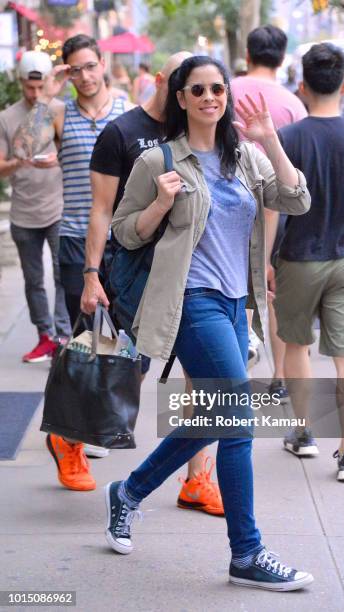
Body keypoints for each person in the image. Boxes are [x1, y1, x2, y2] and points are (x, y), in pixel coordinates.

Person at [106, 55, 313, 592]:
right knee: (240, 415)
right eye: (196, 89)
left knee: (218, 417)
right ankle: (246, 552)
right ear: (180, 98)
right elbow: (125, 232)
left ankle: (128, 492)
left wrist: (270, 139)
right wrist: (161, 204)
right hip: (188, 301)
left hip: (233, 302)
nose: (209, 97)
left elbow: (295, 198)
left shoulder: (243, 156)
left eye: (217, 88)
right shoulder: (158, 161)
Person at [81, 51, 224, 516]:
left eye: (209, 85)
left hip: (194, 279)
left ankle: (198, 480)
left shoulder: (206, 133)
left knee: (201, 380)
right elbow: (103, 209)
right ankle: (71, 435)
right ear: (165, 81)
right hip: (136, 274)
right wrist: (90, 273)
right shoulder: (122, 132)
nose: (200, 93)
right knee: (125, 369)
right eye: (187, 82)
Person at [13, 34, 133, 490]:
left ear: (103, 64)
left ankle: (94, 419)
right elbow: (24, 147)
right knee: (85, 339)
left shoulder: (126, 109)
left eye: (89, 66)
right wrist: (51, 94)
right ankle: (76, 437)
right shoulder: (61, 112)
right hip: (75, 242)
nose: (84, 76)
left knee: (123, 337)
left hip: (124, 242)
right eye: (74, 69)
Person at [273, 43, 344, 480]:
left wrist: (266, 258)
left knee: (297, 346)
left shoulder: (288, 139)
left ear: (302, 86)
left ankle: (303, 434)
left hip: (299, 257)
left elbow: (273, 207)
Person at [231, 25, 307, 397]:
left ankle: (232, 366)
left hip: (225, 205)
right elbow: (293, 171)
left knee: (231, 289)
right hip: (275, 211)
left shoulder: (223, 90)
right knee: (271, 291)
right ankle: (279, 375)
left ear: (248, 54)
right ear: (282, 56)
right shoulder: (293, 104)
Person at [0, 51, 71, 363]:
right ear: (21, 83)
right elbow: (1, 166)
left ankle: (63, 335)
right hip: (23, 212)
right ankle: (44, 335)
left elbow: (72, 151)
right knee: (34, 280)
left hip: (57, 206)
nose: (34, 94)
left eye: (39, 87)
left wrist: (59, 157)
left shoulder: (59, 110)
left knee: (62, 274)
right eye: (29, 88)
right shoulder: (7, 117)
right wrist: (20, 162)